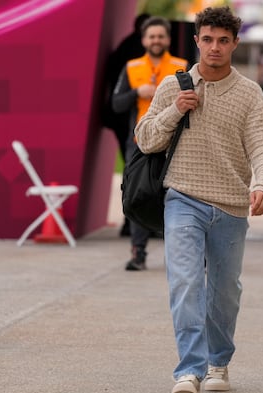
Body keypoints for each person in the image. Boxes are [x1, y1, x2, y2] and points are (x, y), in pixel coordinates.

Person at [135, 6, 263, 393]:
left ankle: (219, 362)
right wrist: (174, 110)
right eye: (207, 39)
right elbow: (145, 138)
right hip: (182, 199)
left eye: (223, 40)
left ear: (234, 43)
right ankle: (189, 371)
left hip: (232, 205)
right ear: (197, 40)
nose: (214, 47)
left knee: (224, 291)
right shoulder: (174, 85)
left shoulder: (249, 93)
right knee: (184, 282)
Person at [112, 16, 188, 271]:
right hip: (140, 143)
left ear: (168, 39)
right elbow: (116, 104)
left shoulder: (182, 67)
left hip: (175, 143)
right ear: (144, 40)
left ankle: (180, 255)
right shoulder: (132, 68)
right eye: (151, 36)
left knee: (178, 198)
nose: (156, 40)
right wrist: (136, 92)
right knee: (139, 196)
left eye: (160, 36)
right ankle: (138, 253)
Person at [104, 13, 151, 237]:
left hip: (131, 123)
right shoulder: (132, 58)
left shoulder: (125, 48)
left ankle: (135, 224)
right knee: (137, 177)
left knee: (136, 177)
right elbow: (117, 96)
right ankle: (134, 225)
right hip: (129, 123)